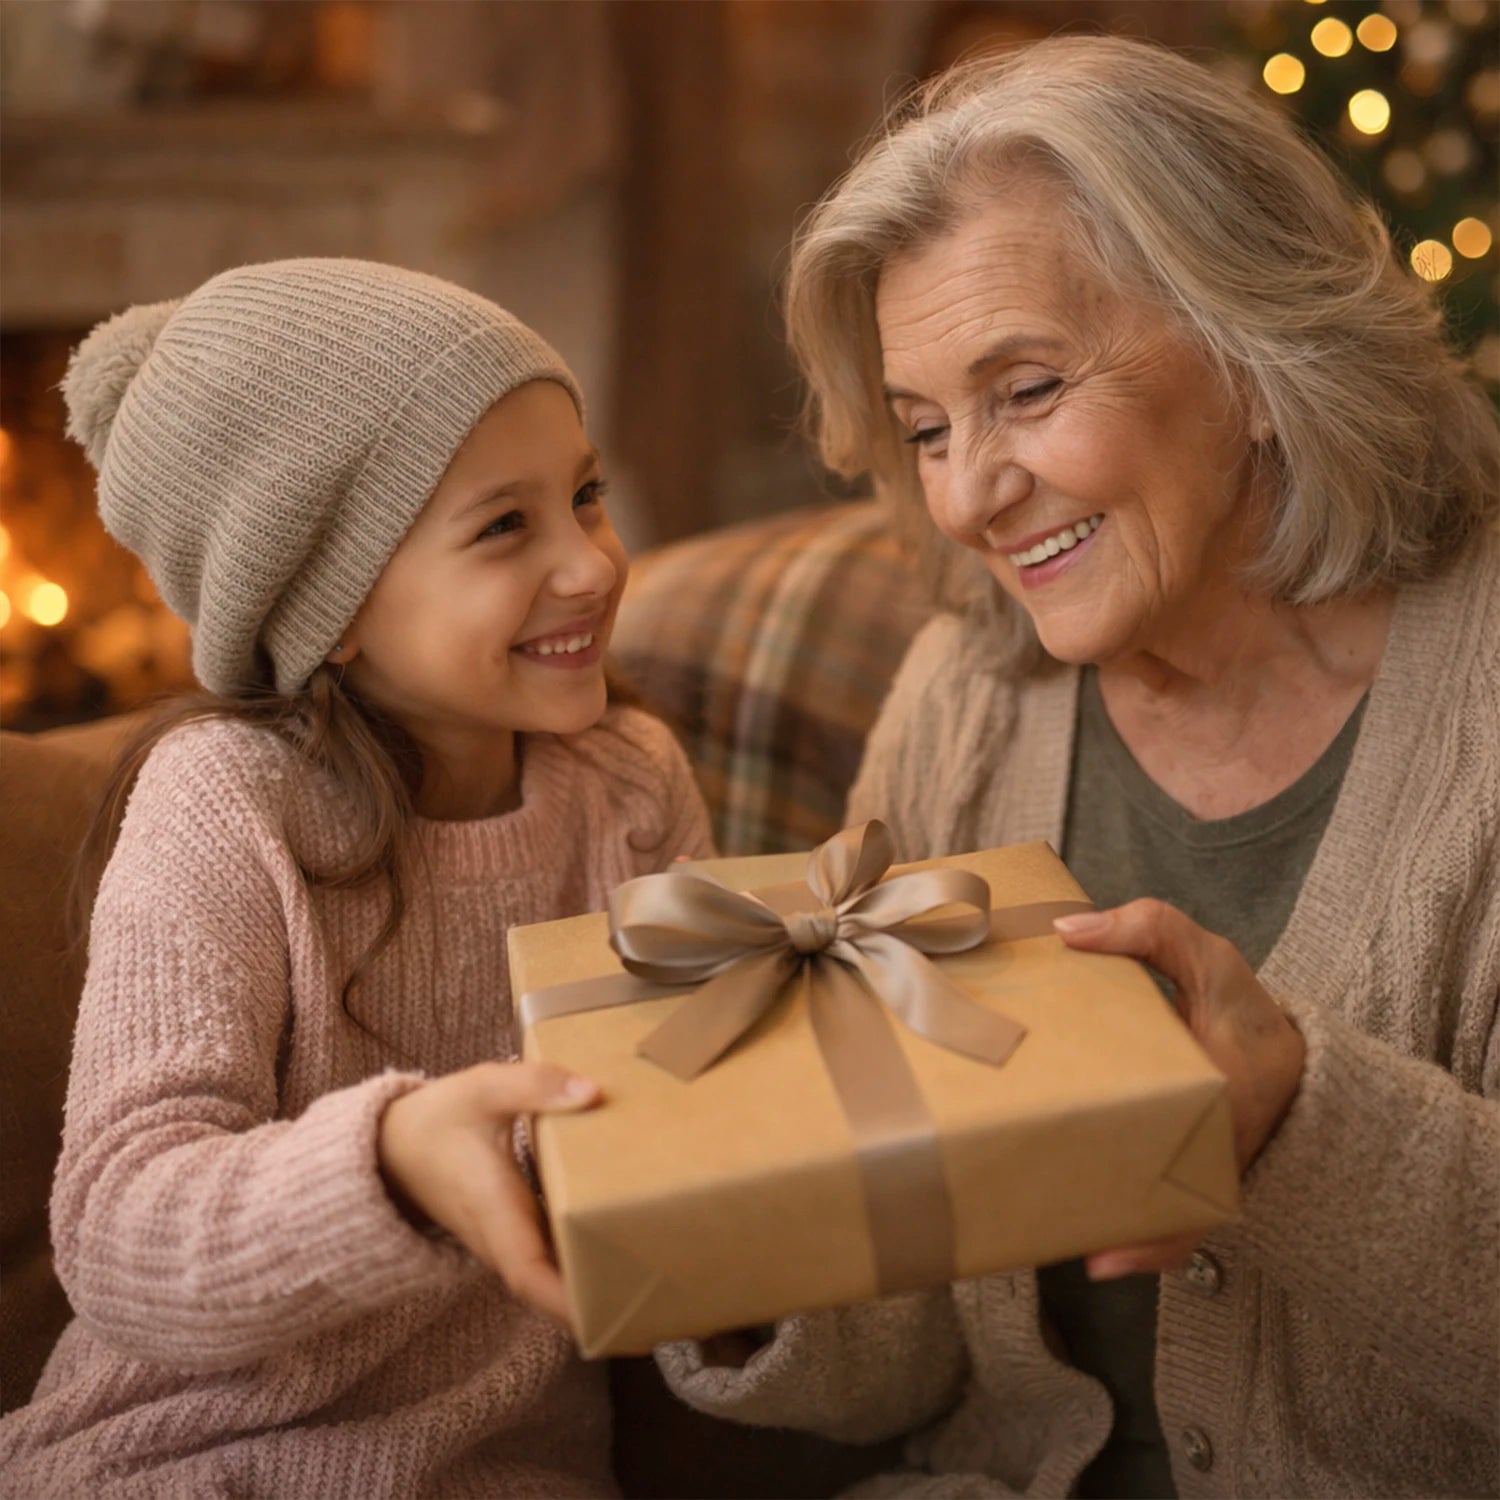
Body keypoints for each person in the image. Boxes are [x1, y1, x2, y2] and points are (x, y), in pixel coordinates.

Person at [655, 36, 1499, 1499]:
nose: (968, 494)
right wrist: (727, 1235)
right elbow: (905, 1367)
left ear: (1253, 355)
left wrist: (1303, 1125)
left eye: (1027, 390)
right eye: (925, 427)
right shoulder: (967, 701)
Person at [0, 259, 714, 1497]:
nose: (594, 564)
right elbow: (120, 1229)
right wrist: (391, 1162)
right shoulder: (227, 801)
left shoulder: (630, 785)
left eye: (585, 495)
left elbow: (702, 1130)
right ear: (326, 603)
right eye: (506, 526)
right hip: (190, 1465)